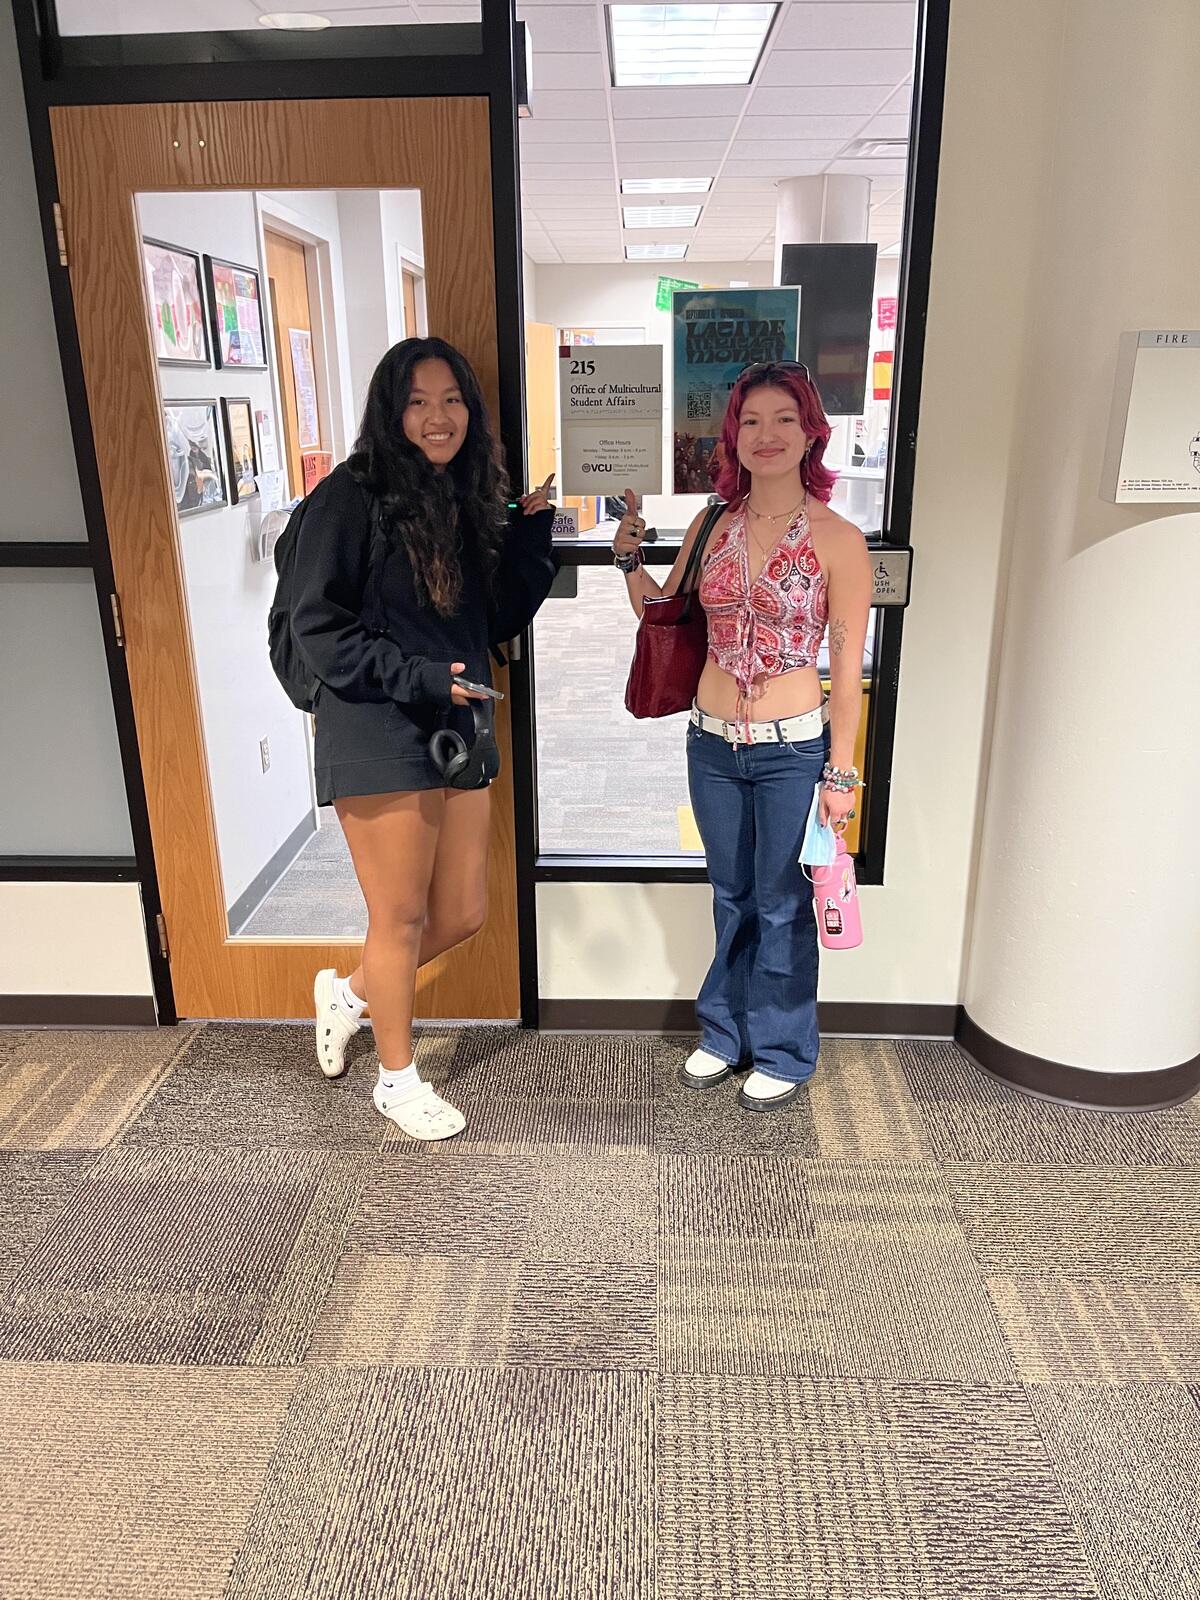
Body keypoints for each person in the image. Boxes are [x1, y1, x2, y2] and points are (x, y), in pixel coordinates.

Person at [287, 337, 556, 1140]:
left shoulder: (461, 495)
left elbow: (492, 620)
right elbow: (318, 627)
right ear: (390, 409)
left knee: (464, 911)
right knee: (399, 915)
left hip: (455, 718)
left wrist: (532, 535)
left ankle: (348, 995)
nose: (438, 417)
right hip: (376, 718)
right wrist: (423, 676)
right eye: (418, 401)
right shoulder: (350, 496)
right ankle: (397, 1080)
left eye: (452, 400)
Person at [612, 361, 873, 1110]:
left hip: (795, 749)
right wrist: (629, 557)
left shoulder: (838, 540)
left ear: (811, 432)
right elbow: (661, 616)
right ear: (734, 434)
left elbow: (846, 676)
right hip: (712, 743)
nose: (767, 435)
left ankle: (785, 1048)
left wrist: (842, 778)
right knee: (731, 895)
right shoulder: (710, 525)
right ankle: (724, 1034)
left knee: (784, 900)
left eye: (784, 419)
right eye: (751, 421)